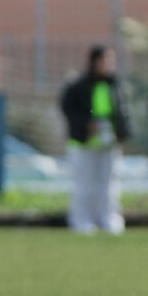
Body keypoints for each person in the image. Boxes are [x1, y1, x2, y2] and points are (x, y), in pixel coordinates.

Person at [59, 44, 130, 235]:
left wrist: (122, 132)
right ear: (95, 62)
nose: (109, 64)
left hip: (108, 143)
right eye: (106, 60)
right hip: (83, 143)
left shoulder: (114, 85)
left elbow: (121, 111)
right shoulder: (78, 86)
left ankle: (109, 220)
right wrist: (86, 124)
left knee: (109, 183)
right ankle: (81, 220)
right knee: (84, 184)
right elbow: (68, 109)